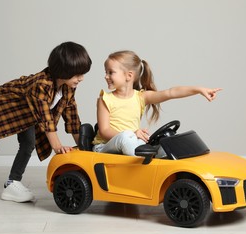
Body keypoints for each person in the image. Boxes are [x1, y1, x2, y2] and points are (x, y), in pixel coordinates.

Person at [0, 41, 92, 205]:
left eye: (82, 74)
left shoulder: (68, 87)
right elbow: (45, 118)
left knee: (28, 144)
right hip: (4, 106)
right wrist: (57, 147)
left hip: (27, 114)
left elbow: (72, 116)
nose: (81, 79)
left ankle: (12, 184)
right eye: (77, 75)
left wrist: (85, 148)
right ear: (63, 71)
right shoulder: (40, 84)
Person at [92, 50, 221, 156]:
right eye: (106, 72)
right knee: (126, 137)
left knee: (165, 145)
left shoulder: (140, 97)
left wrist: (198, 90)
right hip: (104, 147)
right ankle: (142, 169)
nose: (106, 76)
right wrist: (132, 133)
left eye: (111, 72)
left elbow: (171, 92)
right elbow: (104, 130)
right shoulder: (105, 99)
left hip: (130, 143)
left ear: (129, 76)